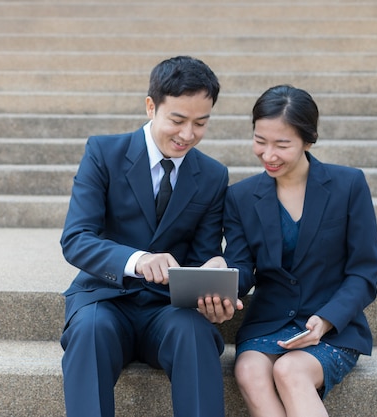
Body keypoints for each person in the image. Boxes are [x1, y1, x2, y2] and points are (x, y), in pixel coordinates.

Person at [59, 55, 243, 417]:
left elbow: (202, 255)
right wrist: (138, 260)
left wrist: (212, 282)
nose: (188, 134)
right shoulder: (103, 153)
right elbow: (76, 238)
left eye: (201, 123)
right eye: (177, 120)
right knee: (90, 331)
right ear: (150, 106)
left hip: (170, 309)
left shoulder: (212, 175)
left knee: (195, 335)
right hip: (106, 299)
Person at [220, 85, 377, 417]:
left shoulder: (348, 185)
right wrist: (216, 281)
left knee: (290, 371)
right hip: (267, 324)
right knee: (249, 371)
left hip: (331, 325)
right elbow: (240, 268)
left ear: (308, 140)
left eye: (282, 145)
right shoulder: (240, 197)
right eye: (260, 141)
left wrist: (325, 320)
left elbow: (364, 272)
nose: (268, 155)